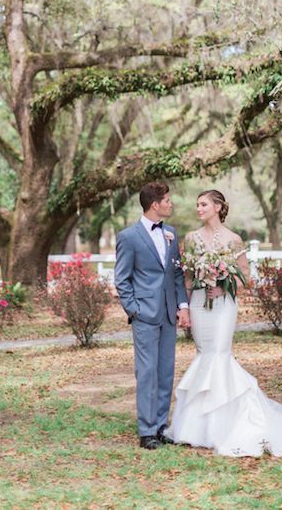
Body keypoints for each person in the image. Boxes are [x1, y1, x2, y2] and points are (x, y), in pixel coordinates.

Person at [166, 189, 282, 457]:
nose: (198, 208)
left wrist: (223, 286)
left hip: (224, 305)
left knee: (220, 354)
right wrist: (186, 307)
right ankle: (199, 427)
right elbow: (188, 277)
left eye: (203, 204)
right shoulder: (191, 239)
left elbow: (245, 276)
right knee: (204, 353)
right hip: (201, 302)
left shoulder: (233, 239)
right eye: (197, 204)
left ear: (217, 207)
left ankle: (232, 423)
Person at [114, 181, 190, 450]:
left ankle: (160, 427)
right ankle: (146, 431)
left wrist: (183, 307)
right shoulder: (128, 237)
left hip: (169, 312)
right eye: (167, 200)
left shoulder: (171, 233)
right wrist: (134, 309)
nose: (171, 204)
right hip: (144, 314)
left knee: (165, 372)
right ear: (155, 204)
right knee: (146, 372)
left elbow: (177, 274)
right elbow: (122, 279)